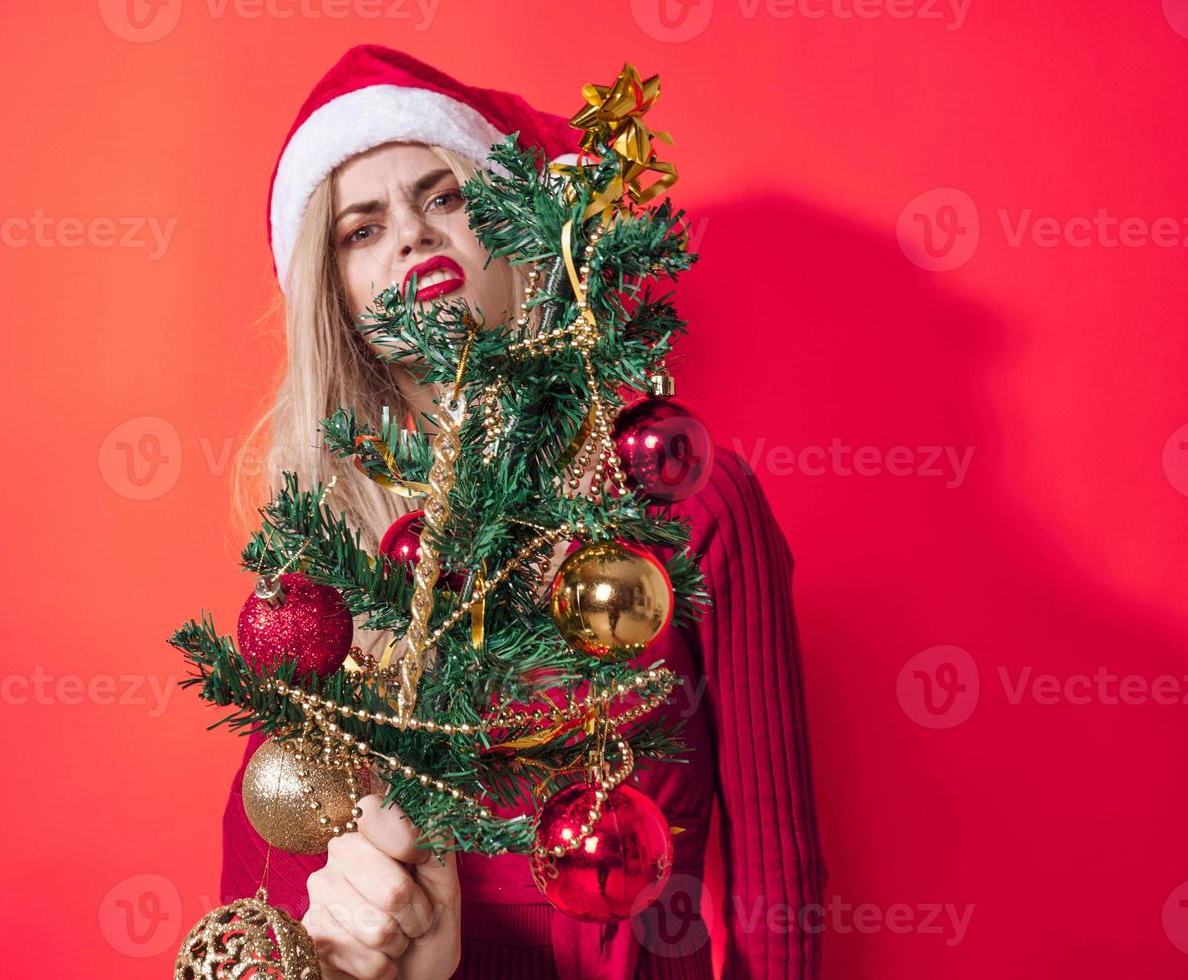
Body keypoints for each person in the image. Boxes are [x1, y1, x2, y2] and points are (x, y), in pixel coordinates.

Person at [221, 44, 827, 979]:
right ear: (337, 298)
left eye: (443, 196)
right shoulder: (323, 565)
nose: (413, 238)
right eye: (362, 229)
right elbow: (254, 908)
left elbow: (776, 892)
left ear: (515, 228)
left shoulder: (682, 497)